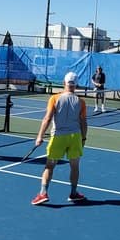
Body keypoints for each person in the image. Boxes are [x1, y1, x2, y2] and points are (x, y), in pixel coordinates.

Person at [31, 72, 88, 205]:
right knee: (75, 167)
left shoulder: (54, 98)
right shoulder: (81, 102)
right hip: (75, 137)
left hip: (58, 137)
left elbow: (47, 118)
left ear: (64, 83)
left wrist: (39, 136)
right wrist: (83, 139)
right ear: (76, 85)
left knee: (49, 166)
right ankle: (73, 193)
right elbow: (84, 123)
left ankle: (43, 193)